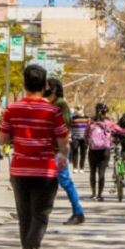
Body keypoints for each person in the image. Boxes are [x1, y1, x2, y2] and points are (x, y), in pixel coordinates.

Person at [0, 64, 69, 249]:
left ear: (24, 84)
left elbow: (3, 139)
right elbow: (63, 140)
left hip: (20, 170)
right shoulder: (53, 111)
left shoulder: (12, 109)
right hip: (45, 171)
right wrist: (63, 156)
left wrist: (15, 137)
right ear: (45, 85)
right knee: (41, 215)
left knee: (25, 216)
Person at [44, 78, 85, 226]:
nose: (44, 89)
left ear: (53, 89)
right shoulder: (53, 104)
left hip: (58, 151)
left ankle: (78, 213)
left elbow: (64, 126)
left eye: (46, 86)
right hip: (51, 150)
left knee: (65, 181)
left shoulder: (61, 104)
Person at [85, 103, 125, 201]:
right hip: (104, 150)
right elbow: (121, 131)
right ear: (106, 112)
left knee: (92, 173)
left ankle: (93, 194)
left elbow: (86, 135)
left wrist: (88, 143)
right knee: (101, 173)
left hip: (92, 150)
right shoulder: (109, 123)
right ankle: (99, 195)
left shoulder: (90, 122)